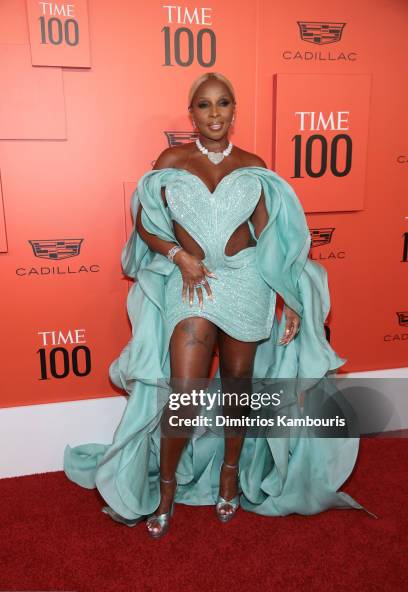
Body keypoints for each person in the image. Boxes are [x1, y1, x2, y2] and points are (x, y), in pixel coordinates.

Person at [64, 72, 366, 539]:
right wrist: (178, 256)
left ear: (233, 110)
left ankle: (229, 473)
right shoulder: (171, 161)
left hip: (247, 281)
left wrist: (288, 295)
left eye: (223, 104)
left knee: (237, 387)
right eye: (204, 106)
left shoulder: (253, 164)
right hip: (193, 282)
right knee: (183, 389)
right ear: (192, 114)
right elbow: (146, 226)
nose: (214, 114)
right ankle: (165, 492)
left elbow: (269, 239)